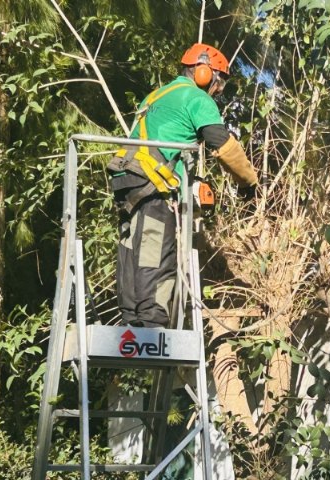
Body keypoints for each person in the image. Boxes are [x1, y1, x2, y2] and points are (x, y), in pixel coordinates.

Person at [109, 43, 257, 328]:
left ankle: (131, 318)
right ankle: (151, 324)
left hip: (126, 176)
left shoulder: (157, 95)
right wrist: (249, 182)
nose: (218, 90)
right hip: (153, 179)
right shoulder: (196, 97)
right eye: (219, 81)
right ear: (204, 73)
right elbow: (222, 144)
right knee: (155, 248)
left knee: (131, 245)